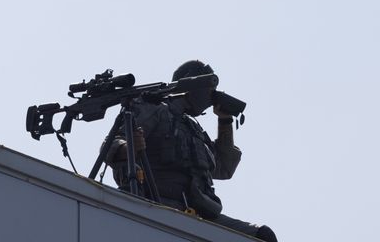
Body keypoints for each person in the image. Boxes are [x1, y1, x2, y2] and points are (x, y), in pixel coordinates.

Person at [104, 60, 277, 242]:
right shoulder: (154, 109)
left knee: (263, 236)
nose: (211, 98)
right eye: (209, 91)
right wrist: (128, 147)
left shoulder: (193, 128)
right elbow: (111, 144)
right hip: (159, 204)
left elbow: (224, 168)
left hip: (202, 212)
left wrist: (225, 121)